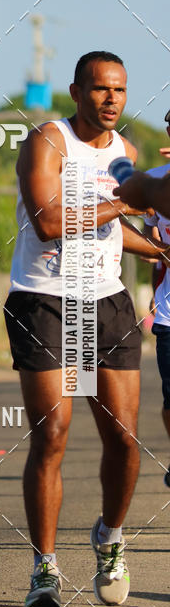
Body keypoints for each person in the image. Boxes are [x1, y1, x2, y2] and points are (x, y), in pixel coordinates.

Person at [4, 52, 170, 607]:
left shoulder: (125, 152)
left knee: (124, 439)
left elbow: (115, 227)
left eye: (120, 91)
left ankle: (110, 538)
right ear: (76, 93)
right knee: (52, 436)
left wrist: (160, 251)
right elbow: (50, 222)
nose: (111, 100)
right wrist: (124, 201)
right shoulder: (48, 142)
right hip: (44, 299)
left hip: (106, 300)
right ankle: (44, 569)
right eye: (100, 90)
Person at [138, 111, 170, 486]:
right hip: (168, 314)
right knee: (169, 400)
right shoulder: (152, 182)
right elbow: (151, 246)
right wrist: (151, 289)